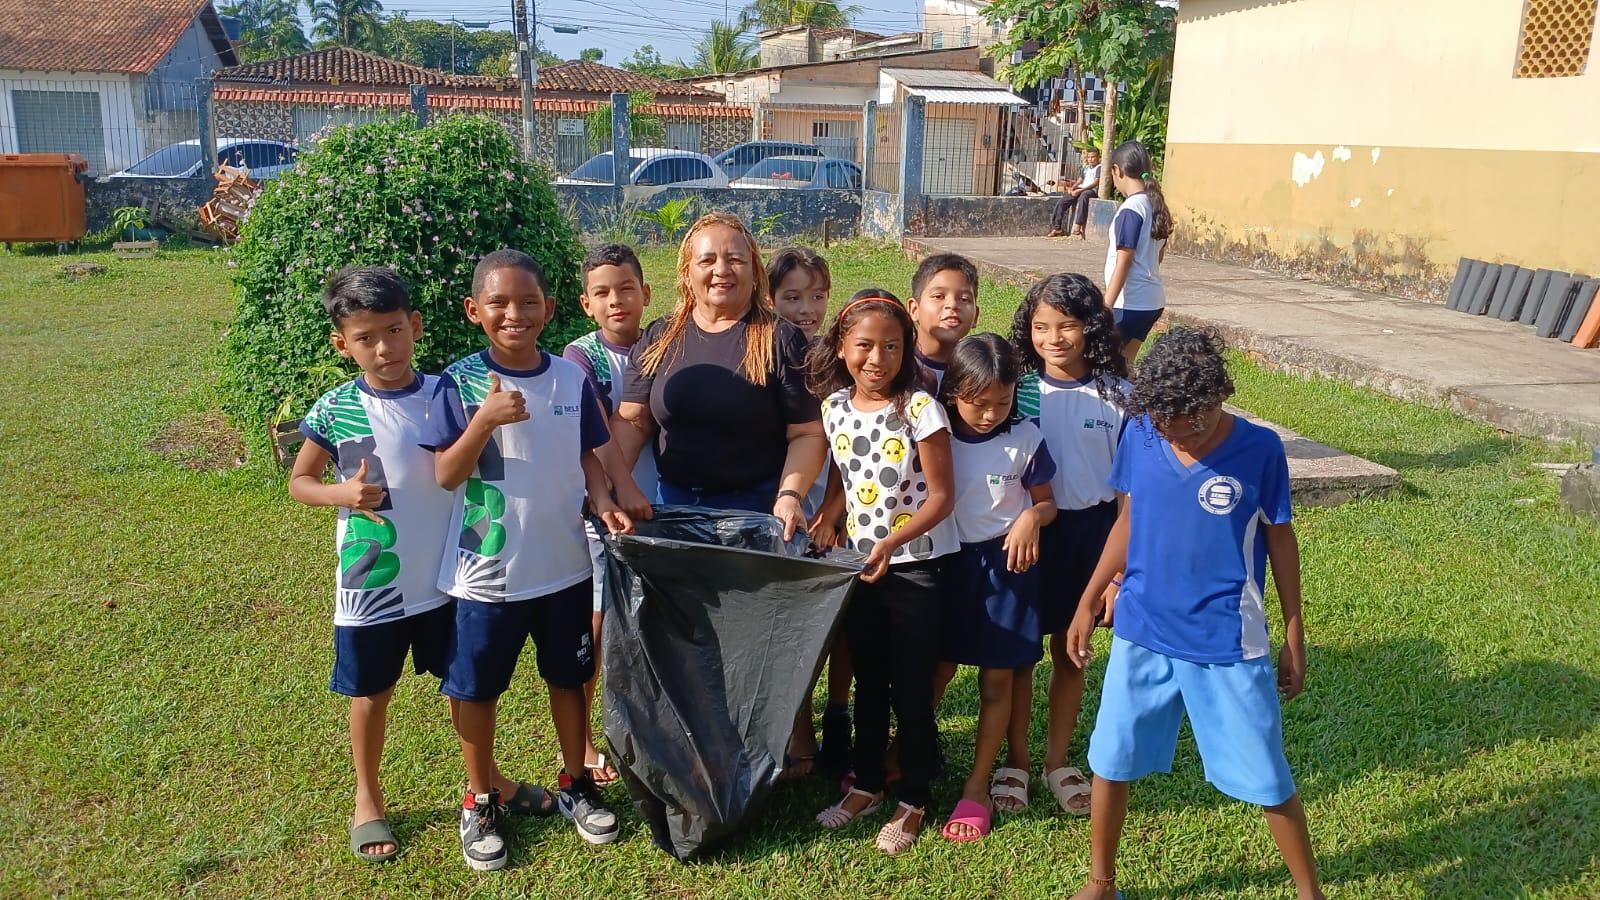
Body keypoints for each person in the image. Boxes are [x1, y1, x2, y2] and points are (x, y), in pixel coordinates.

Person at [1065, 328, 1322, 900]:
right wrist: (1090, 597)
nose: (1176, 433)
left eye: (1191, 422)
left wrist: (1293, 633)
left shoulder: (1259, 450)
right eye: (1163, 421)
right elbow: (1128, 522)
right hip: (1142, 632)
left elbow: (1281, 541)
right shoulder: (1140, 429)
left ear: (1218, 401)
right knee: (1111, 757)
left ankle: (1310, 892)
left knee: (1267, 775)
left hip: (1226, 640)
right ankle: (1100, 882)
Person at [424, 249, 633, 871]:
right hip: (487, 575)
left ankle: (575, 782)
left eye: (528, 301)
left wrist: (604, 504)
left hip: (565, 566)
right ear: (474, 311)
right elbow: (444, 473)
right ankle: (480, 796)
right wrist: (484, 420)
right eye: (498, 303)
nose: (514, 313)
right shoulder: (458, 382)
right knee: (478, 688)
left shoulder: (571, 377)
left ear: (549, 307)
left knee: (569, 679)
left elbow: (591, 456)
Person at [612, 212, 827, 776]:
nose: (721, 270)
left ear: (754, 270)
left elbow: (807, 435)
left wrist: (789, 495)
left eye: (734, 258)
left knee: (761, 642)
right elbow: (632, 421)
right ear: (687, 271)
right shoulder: (661, 338)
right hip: (677, 512)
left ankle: (784, 745)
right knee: (689, 641)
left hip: (757, 512)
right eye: (707, 259)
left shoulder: (779, 339)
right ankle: (701, 751)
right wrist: (619, 484)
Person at [288, 266, 456, 864]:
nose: (384, 348)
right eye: (366, 338)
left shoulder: (446, 395)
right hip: (373, 581)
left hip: (443, 578)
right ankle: (367, 796)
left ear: (415, 326)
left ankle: (485, 782)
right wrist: (342, 495)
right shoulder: (336, 408)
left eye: (393, 330)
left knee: (465, 686)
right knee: (369, 694)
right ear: (343, 344)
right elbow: (301, 482)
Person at [808, 293, 957, 856]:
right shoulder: (834, 408)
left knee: (911, 691)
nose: (877, 358)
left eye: (891, 346)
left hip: (916, 566)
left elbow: (942, 497)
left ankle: (914, 798)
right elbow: (844, 479)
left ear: (907, 349)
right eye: (864, 345)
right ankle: (867, 784)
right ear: (843, 347)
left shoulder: (920, 408)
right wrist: (828, 516)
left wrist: (892, 542)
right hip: (861, 567)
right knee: (868, 681)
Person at [1002, 273, 1130, 818]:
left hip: (1092, 536)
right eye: (1040, 326)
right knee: (1019, 655)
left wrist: (1120, 572)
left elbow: (1131, 492)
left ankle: (1056, 761)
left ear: (1092, 329)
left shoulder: (1118, 395)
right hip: (1026, 535)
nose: (1053, 338)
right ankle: (1016, 762)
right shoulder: (1017, 389)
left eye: (1067, 326)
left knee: (1070, 651)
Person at [931, 334, 1058, 843]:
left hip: (1008, 569)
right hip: (945, 565)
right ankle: (906, 753)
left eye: (1000, 403)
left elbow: (1048, 502)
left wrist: (1032, 515)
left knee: (997, 682)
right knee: (936, 672)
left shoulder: (1025, 437)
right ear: (952, 391)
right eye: (977, 403)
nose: (988, 415)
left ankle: (978, 785)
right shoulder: (935, 436)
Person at [561, 243, 657, 788]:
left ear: (646, 293)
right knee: (598, 624)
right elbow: (595, 441)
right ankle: (581, 742)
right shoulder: (581, 360)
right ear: (585, 303)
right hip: (604, 509)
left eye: (626, 289)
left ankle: (645, 726)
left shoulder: (662, 341)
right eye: (602, 292)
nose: (616, 300)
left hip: (657, 504)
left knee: (648, 622)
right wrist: (614, 497)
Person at [767, 246, 855, 778]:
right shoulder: (763, 351)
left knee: (835, 624)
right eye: (792, 297)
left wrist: (832, 510)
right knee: (788, 626)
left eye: (817, 296)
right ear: (769, 298)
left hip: (832, 513)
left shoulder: (838, 356)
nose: (807, 309)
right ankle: (796, 733)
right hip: (782, 509)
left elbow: (851, 447)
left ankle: (837, 716)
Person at [1102, 140, 1171, 364]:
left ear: (1117, 171)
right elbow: (1158, 255)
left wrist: (1105, 306)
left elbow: (1125, 261)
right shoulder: (1156, 204)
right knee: (1125, 365)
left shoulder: (1131, 209)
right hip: (1152, 301)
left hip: (1129, 303)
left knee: (1103, 365)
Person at [908, 253, 980, 392]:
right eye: (939, 296)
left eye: (964, 299)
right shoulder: (896, 366)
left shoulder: (979, 373)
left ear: (975, 316)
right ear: (914, 309)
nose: (952, 305)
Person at [1047, 148, 1101, 239]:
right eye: (1089, 157)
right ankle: (1057, 228)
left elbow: (1095, 183)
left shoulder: (1099, 168)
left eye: (1093, 157)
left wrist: (1080, 191)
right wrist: (1072, 188)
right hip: (1081, 188)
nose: (1090, 159)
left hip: (1091, 190)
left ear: (1098, 157)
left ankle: (1078, 225)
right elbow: (1080, 180)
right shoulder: (1086, 168)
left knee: (1083, 197)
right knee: (1063, 201)